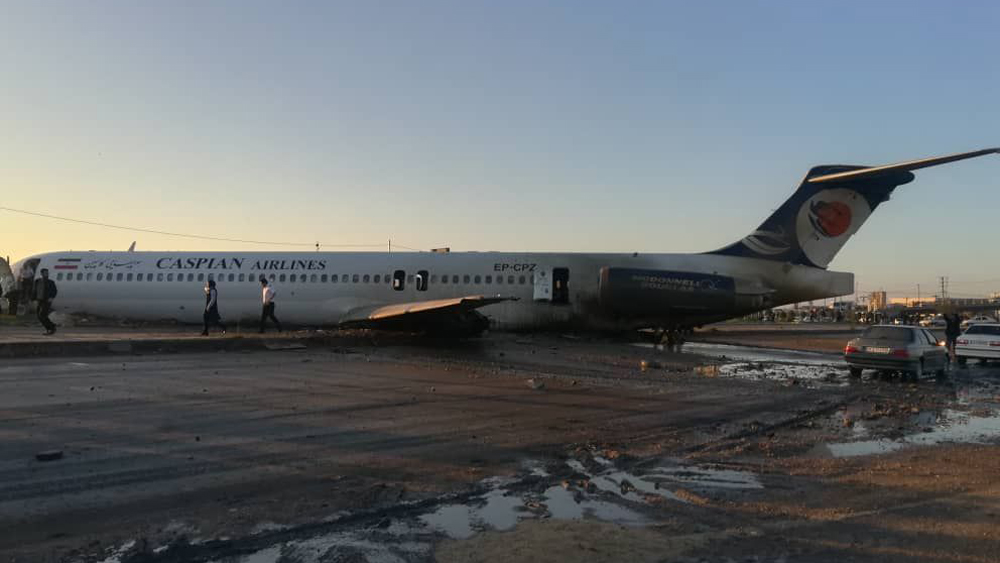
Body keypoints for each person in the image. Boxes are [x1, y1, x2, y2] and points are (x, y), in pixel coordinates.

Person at [32, 268, 58, 335]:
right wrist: (33, 299)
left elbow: (54, 291)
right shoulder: (37, 281)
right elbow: (34, 291)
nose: (47, 274)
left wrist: (51, 297)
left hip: (46, 300)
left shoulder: (51, 282)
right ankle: (49, 328)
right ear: (42, 273)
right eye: (45, 273)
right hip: (39, 300)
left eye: (47, 273)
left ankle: (52, 327)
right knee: (39, 316)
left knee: (42, 314)